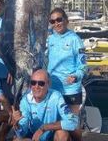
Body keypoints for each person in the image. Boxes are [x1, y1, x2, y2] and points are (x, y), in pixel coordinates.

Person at [46, 8, 86, 139]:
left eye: (59, 19)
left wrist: (76, 76)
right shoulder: (50, 38)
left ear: (66, 20)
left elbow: (83, 65)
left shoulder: (75, 39)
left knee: (72, 124)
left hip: (70, 89)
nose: (56, 23)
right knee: (57, 124)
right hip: (53, 88)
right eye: (53, 21)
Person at [12, 69, 78, 141]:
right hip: (33, 138)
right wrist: (17, 125)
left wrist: (44, 127)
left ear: (48, 84)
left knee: (62, 134)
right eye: (33, 83)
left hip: (52, 138)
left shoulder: (56, 96)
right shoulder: (25, 100)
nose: (36, 86)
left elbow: (73, 121)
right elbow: (22, 132)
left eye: (41, 83)